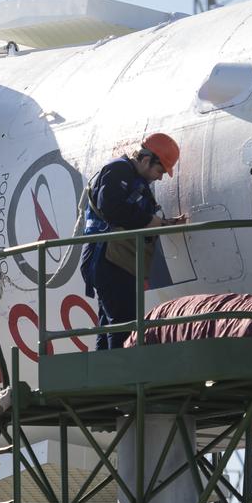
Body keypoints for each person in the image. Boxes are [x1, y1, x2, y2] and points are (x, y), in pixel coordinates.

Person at [79, 133, 186, 350]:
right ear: (146, 160)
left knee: (111, 323)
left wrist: (164, 224)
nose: (160, 177)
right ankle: (121, 376)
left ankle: (107, 376)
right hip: (107, 258)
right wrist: (151, 220)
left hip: (118, 260)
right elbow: (112, 209)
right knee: (123, 322)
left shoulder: (135, 180)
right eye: (160, 170)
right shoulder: (117, 170)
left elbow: (132, 216)